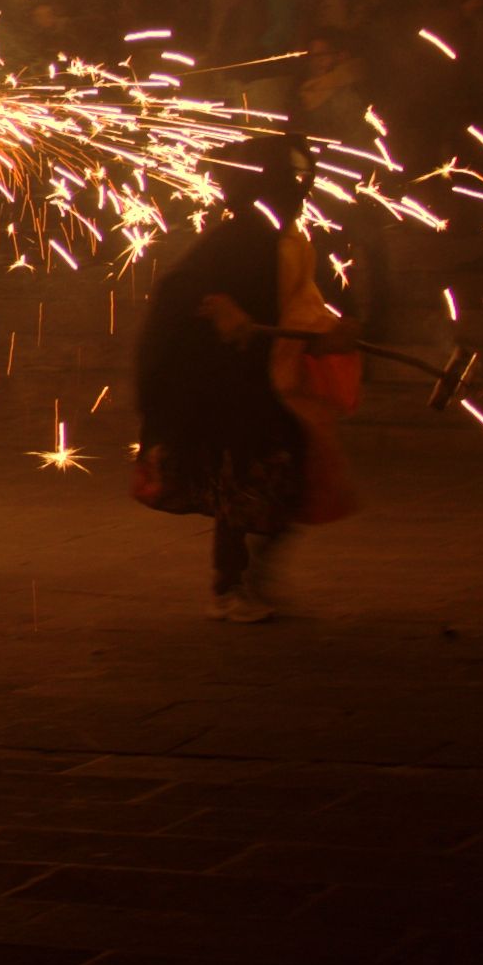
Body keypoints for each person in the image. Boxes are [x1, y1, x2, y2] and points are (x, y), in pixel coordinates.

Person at [133, 134, 358, 622]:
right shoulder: (234, 237)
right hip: (227, 385)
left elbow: (298, 304)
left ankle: (254, 574)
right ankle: (228, 586)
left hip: (267, 377)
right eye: (290, 179)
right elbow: (181, 286)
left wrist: (327, 332)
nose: (299, 189)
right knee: (240, 481)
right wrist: (219, 305)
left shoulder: (290, 240)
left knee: (294, 472)